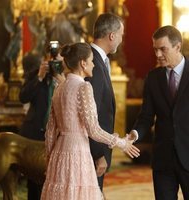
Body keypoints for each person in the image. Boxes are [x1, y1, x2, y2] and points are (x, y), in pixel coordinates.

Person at [41, 42, 140, 200]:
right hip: (78, 152)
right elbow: (93, 130)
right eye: (92, 60)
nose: (93, 65)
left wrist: (50, 159)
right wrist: (122, 143)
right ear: (83, 63)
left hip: (59, 153)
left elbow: (51, 131)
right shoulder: (84, 87)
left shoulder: (59, 88)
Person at [128, 25, 189, 200]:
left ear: (177, 47)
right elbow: (146, 116)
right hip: (163, 159)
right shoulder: (153, 77)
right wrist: (135, 133)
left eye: (163, 49)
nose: (158, 55)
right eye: (155, 50)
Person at [85, 13, 124, 191]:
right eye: (121, 35)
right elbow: (93, 113)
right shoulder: (94, 63)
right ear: (112, 36)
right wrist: (99, 153)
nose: (121, 40)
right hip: (93, 153)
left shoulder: (97, 60)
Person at [19, 52, 54, 200]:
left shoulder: (66, 77)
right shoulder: (36, 75)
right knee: (34, 180)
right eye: (49, 58)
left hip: (54, 134)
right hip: (34, 132)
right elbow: (23, 97)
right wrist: (40, 77)